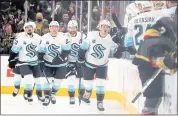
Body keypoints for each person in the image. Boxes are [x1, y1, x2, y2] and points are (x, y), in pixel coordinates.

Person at [77, 19, 123, 111]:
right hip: (89, 63)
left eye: (107, 27)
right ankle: (88, 92)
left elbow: (116, 53)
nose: (105, 28)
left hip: (102, 64)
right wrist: (80, 58)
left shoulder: (110, 39)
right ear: (99, 27)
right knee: (88, 83)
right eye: (103, 26)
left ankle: (100, 102)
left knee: (100, 83)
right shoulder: (91, 35)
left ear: (109, 29)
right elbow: (83, 47)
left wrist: (120, 50)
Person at [9, 21, 43, 103]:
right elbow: (14, 50)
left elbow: (42, 50)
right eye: (27, 27)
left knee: (38, 80)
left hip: (35, 62)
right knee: (23, 78)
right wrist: (11, 60)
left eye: (30, 27)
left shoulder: (38, 37)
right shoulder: (20, 37)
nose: (29, 28)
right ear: (24, 29)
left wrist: (42, 58)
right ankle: (24, 91)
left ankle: (39, 95)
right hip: (23, 62)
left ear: (33, 28)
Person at [38, 21, 71, 106]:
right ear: (49, 28)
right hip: (48, 64)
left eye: (56, 27)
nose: (54, 29)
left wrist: (59, 58)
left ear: (58, 28)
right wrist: (40, 61)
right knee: (46, 81)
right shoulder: (44, 38)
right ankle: (46, 97)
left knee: (58, 82)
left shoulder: (64, 37)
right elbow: (41, 51)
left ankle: (52, 94)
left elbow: (67, 50)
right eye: (52, 27)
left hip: (61, 64)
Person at [65, 20, 86, 104]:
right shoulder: (64, 36)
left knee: (82, 80)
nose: (72, 29)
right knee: (71, 79)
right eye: (70, 28)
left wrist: (83, 58)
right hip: (69, 61)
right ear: (68, 28)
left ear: (77, 28)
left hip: (80, 61)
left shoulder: (82, 36)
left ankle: (81, 95)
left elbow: (85, 48)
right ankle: (71, 97)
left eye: (74, 28)